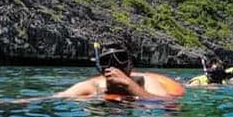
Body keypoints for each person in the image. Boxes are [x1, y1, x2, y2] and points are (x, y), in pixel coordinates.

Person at [54, 44, 185, 101]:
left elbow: (167, 103)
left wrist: (129, 85)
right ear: (101, 68)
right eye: (106, 60)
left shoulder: (145, 81)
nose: (114, 64)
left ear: (130, 64)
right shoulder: (93, 86)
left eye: (121, 58)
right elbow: (57, 97)